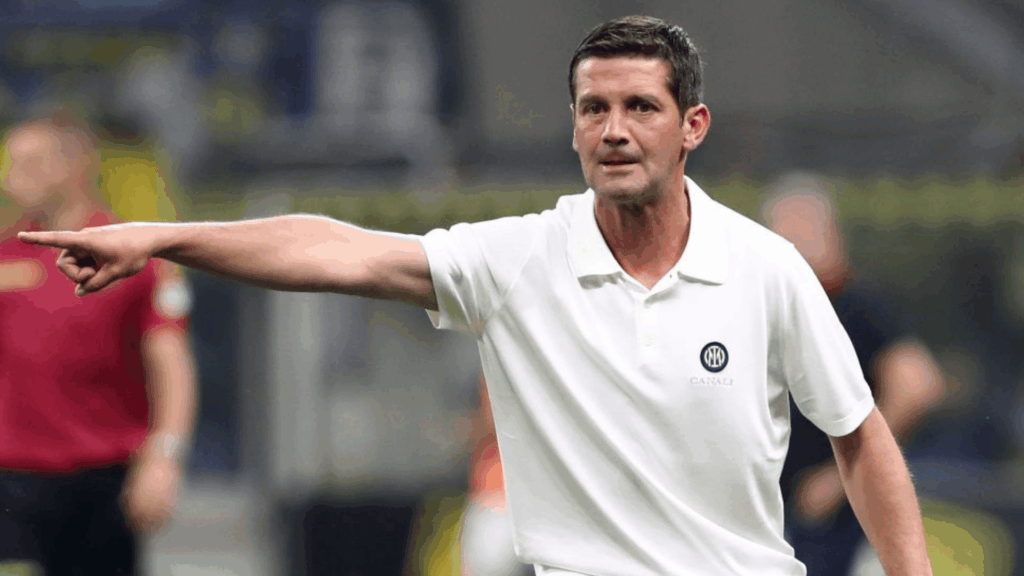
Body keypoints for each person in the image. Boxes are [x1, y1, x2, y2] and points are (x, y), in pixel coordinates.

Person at [20, 16, 933, 575]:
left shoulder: (766, 267)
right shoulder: (519, 257)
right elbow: (334, 250)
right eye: (593, 108)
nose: (614, 130)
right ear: (573, 126)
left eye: (641, 108)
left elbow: (861, 438)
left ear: (692, 125)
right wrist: (161, 236)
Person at [0, 112, 196, 575]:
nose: (11, 178)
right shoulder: (4, 255)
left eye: (29, 164)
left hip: (103, 479)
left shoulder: (132, 257)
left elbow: (170, 364)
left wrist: (164, 458)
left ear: (73, 165)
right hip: (11, 479)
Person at [761, 173, 946, 575]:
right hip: (779, 509)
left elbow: (918, 386)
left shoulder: (856, 307)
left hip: (836, 516)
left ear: (830, 234)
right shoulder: (775, 309)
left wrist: (841, 478)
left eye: (798, 229)